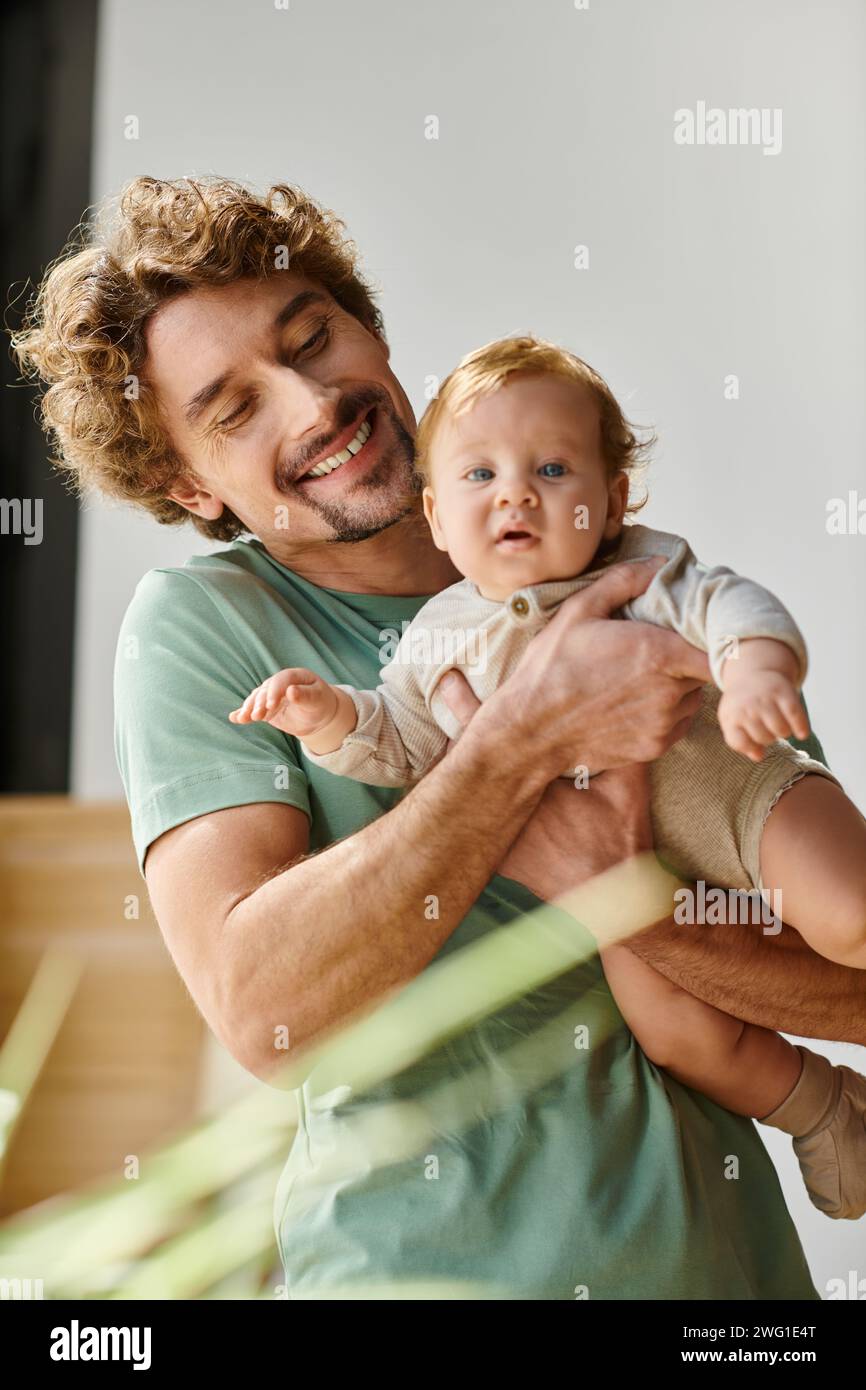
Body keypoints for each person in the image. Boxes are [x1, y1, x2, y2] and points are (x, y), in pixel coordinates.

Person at [11, 175, 866, 1299]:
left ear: (367, 327)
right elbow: (264, 1015)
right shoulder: (210, 630)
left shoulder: (583, 542)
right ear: (187, 482)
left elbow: (846, 968)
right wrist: (511, 746)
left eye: (312, 338)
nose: (311, 405)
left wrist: (622, 895)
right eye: (234, 409)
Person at [230, 333, 866, 1222]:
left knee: (851, 916)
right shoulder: (438, 641)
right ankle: (826, 1110)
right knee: (679, 1035)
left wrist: (756, 666)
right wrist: (331, 718)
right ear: (438, 521)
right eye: (479, 476)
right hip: (636, 887)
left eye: (554, 469)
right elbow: (404, 743)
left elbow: (731, 604)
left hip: (748, 804)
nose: (517, 492)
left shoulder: (641, 573)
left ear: (611, 505)